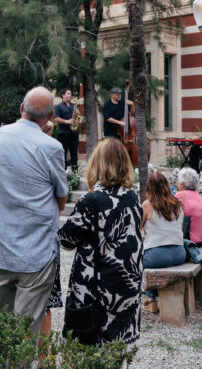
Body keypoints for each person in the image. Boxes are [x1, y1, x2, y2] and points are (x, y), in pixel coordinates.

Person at [0, 86, 68, 336]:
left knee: (2, 327)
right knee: (24, 332)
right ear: (51, 115)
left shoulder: (1, 135)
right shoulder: (51, 147)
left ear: (21, 108)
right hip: (35, 250)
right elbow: (61, 200)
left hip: (0, 246)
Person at [58, 138, 143, 344]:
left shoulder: (91, 200)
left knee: (89, 351)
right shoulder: (133, 197)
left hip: (96, 289)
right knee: (118, 350)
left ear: (97, 164)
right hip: (127, 287)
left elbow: (66, 240)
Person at [140, 172, 186, 314]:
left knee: (136, 260)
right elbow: (180, 228)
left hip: (156, 256)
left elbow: (138, 228)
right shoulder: (177, 204)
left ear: (149, 188)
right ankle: (151, 296)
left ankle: (150, 299)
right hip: (179, 254)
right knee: (153, 260)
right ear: (166, 185)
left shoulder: (147, 205)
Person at [176, 167, 202, 244]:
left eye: (178, 181)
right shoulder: (200, 197)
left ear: (182, 184)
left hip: (189, 241)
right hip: (201, 239)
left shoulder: (180, 195)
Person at [54, 88, 78, 170]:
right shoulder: (58, 106)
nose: (70, 95)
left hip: (74, 132)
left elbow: (77, 116)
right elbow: (56, 118)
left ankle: (75, 171)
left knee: (74, 152)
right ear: (63, 95)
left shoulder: (73, 105)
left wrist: (78, 114)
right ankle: (63, 171)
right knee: (63, 153)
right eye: (68, 93)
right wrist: (66, 121)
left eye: (70, 93)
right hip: (63, 133)